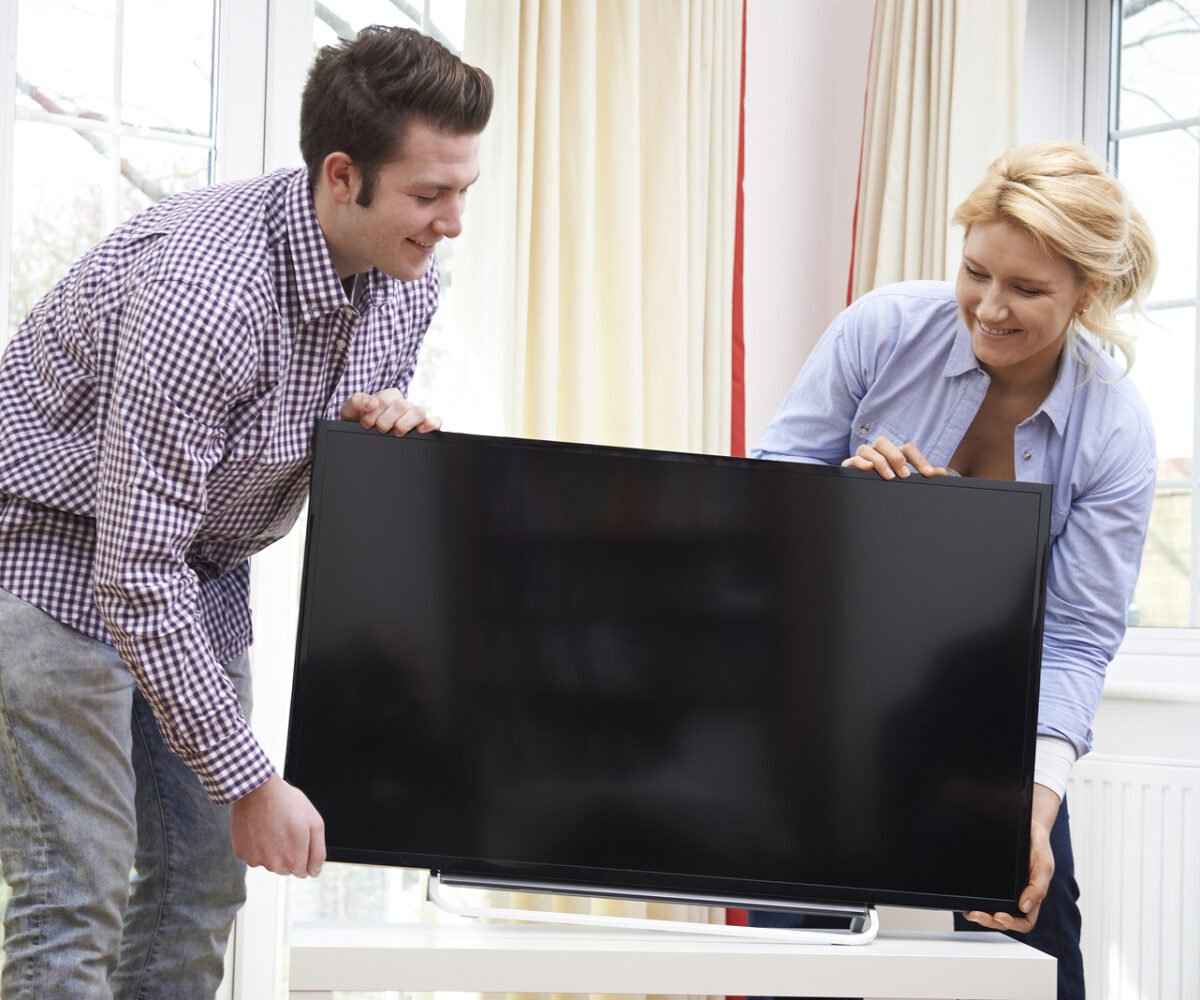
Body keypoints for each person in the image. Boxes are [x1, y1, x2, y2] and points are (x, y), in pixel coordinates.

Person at [0, 25, 492, 1000]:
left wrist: (366, 422)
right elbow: (134, 566)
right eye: (429, 195)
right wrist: (251, 780)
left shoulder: (402, 280)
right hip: (56, 558)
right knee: (78, 889)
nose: (451, 224)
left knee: (197, 890)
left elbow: (291, 427)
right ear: (342, 175)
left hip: (199, 575)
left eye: (462, 192)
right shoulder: (205, 293)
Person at [750, 141, 1157, 1000]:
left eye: (1028, 289)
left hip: (995, 714)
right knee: (797, 953)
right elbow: (766, 500)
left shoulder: (1113, 430)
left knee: (1039, 957)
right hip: (829, 695)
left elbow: (1080, 635)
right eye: (976, 272)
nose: (991, 308)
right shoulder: (882, 329)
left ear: (1088, 294)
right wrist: (844, 503)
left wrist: (1036, 803)